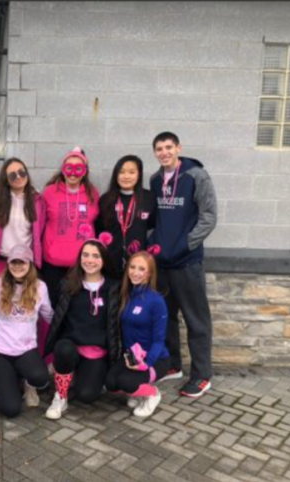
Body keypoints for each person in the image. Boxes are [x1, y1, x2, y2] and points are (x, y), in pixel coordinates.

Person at [149, 131, 217, 398]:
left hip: (187, 262)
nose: (164, 152)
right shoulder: (156, 180)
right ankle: (173, 365)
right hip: (162, 264)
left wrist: (184, 246)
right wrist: (153, 245)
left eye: (168, 147)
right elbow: (157, 220)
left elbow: (209, 217)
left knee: (196, 320)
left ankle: (201, 376)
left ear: (179, 148)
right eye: (159, 148)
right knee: (166, 319)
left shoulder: (196, 175)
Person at [43, 235, 120, 420]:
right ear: (79, 258)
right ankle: (60, 396)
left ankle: (80, 375)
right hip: (71, 345)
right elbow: (56, 316)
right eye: (85, 255)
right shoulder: (68, 284)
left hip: (97, 350)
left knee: (87, 395)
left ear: (103, 260)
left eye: (95, 256)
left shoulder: (113, 287)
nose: (90, 260)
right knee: (63, 348)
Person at [0, 245, 53, 418]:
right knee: (11, 409)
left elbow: (49, 315)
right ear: (8, 264)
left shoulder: (40, 287)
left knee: (40, 378)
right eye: (13, 262)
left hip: (26, 350)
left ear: (30, 264)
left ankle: (24, 381)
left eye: (22, 262)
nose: (17, 266)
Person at [105, 250, 169, 418]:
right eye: (132, 267)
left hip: (156, 358)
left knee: (127, 383)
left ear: (149, 274)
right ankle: (136, 392)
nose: (135, 272)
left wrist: (146, 363)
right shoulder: (126, 295)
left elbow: (159, 340)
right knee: (111, 383)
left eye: (141, 269)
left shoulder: (156, 301)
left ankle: (152, 394)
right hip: (131, 356)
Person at [42, 147, 100, 306]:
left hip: (81, 264)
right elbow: (39, 223)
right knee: (53, 306)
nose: (73, 173)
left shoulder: (92, 194)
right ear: (63, 169)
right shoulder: (49, 192)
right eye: (69, 168)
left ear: (85, 171)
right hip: (53, 264)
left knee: (76, 307)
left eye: (78, 168)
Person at [0, 157, 45, 279]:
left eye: (22, 172)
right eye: (13, 175)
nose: (19, 177)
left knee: (22, 298)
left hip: (23, 263)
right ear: (6, 179)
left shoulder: (37, 200)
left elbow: (39, 231)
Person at [95, 155, 156, 277]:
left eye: (132, 172)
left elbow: (151, 226)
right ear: (115, 175)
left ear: (139, 174)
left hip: (139, 267)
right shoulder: (105, 199)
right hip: (110, 265)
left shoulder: (149, 198)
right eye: (121, 172)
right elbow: (100, 229)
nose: (126, 176)